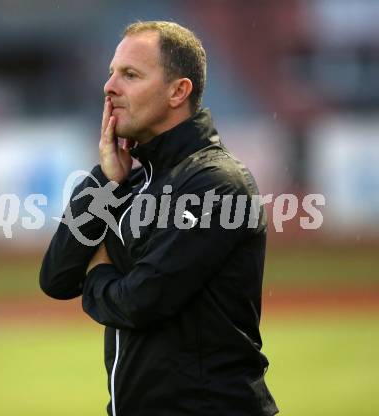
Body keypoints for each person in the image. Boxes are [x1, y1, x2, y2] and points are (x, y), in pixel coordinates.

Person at [40, 20, 278, 416]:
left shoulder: (215, 183)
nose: (109, 87)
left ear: (178, 91)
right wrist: (104, 180)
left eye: (130, 75)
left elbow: (141, 301)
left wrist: (97, 271)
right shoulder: (130, 180)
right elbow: (56, 278)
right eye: (111, 73)